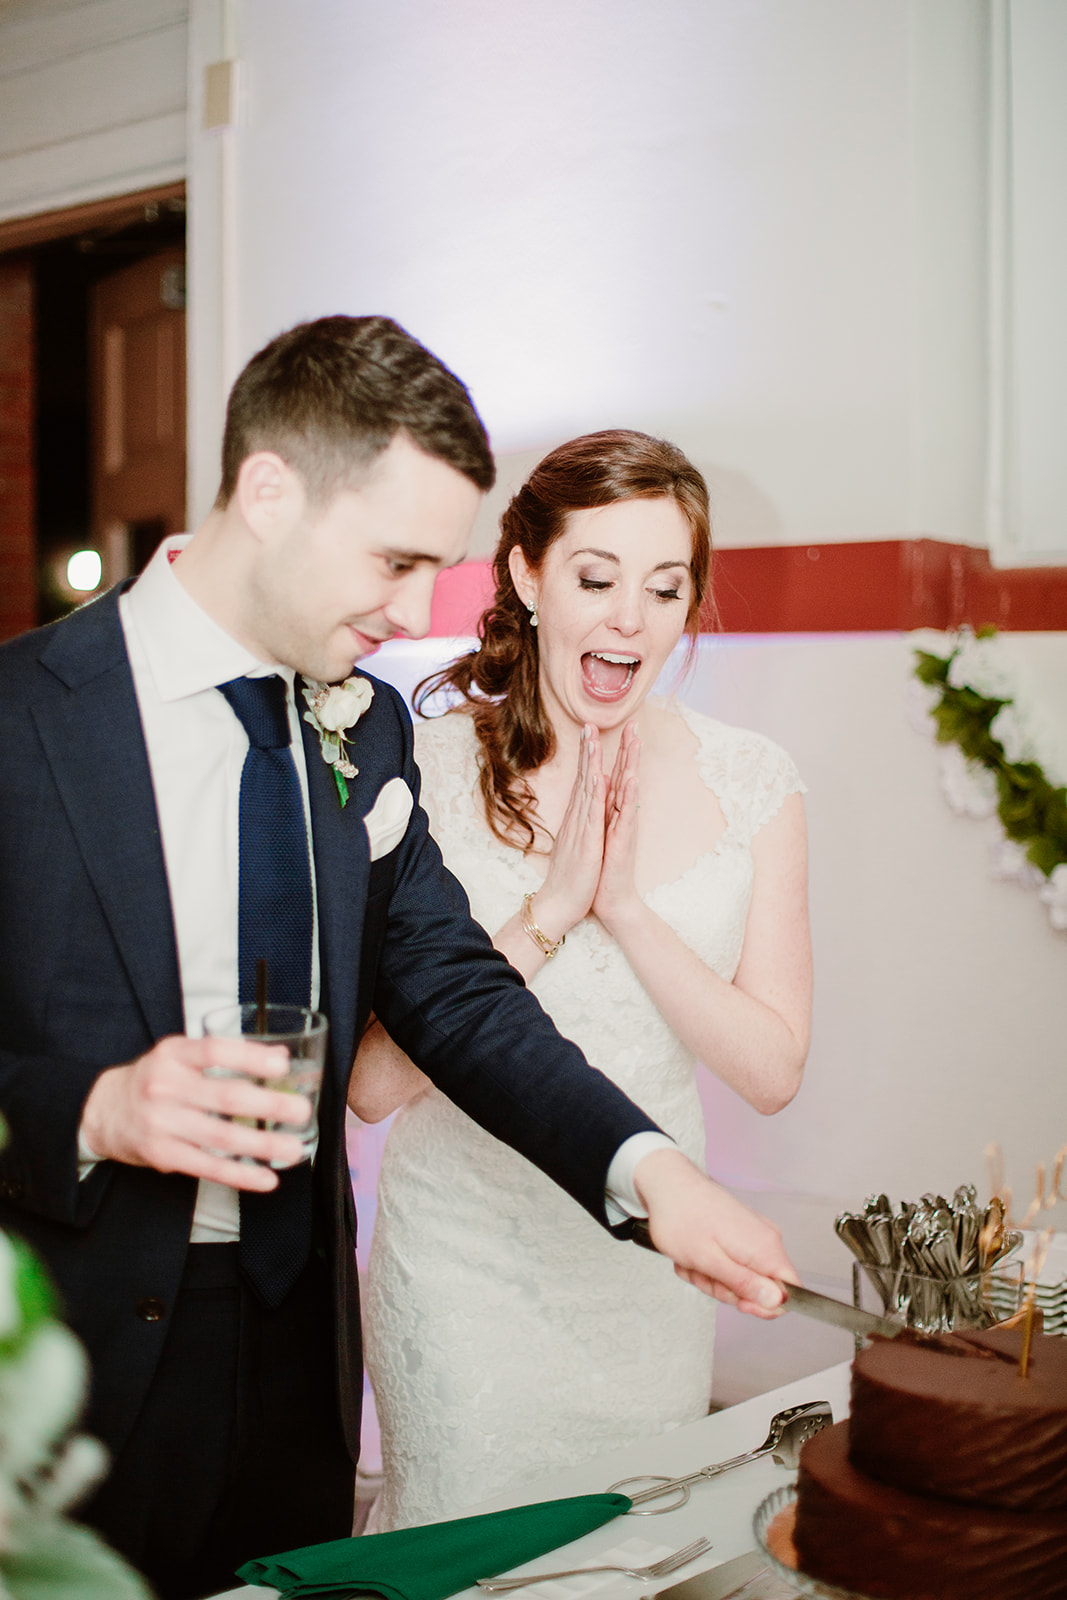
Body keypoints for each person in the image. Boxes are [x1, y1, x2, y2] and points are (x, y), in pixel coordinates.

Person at [0, 322, 796, 1600]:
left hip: (295, 1346)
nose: (416, 609)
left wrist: (650, 1176)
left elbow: (458, 998)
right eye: (394, 559)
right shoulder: (21, 717)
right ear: (269, 493)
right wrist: (93, 1106)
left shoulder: (362, 726)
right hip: (66, 1355)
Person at [351, 430, 812, 1530]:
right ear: (524, 574)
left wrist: (628, 913)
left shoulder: (751, 780)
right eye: (595, 579)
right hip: (460, 1271)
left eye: (664, 588)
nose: (628, 619)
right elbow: (370, 1084)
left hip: (645, 1271)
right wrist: (548, 912)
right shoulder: (425, 772)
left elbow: (771, 1069)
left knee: (626, 1551)